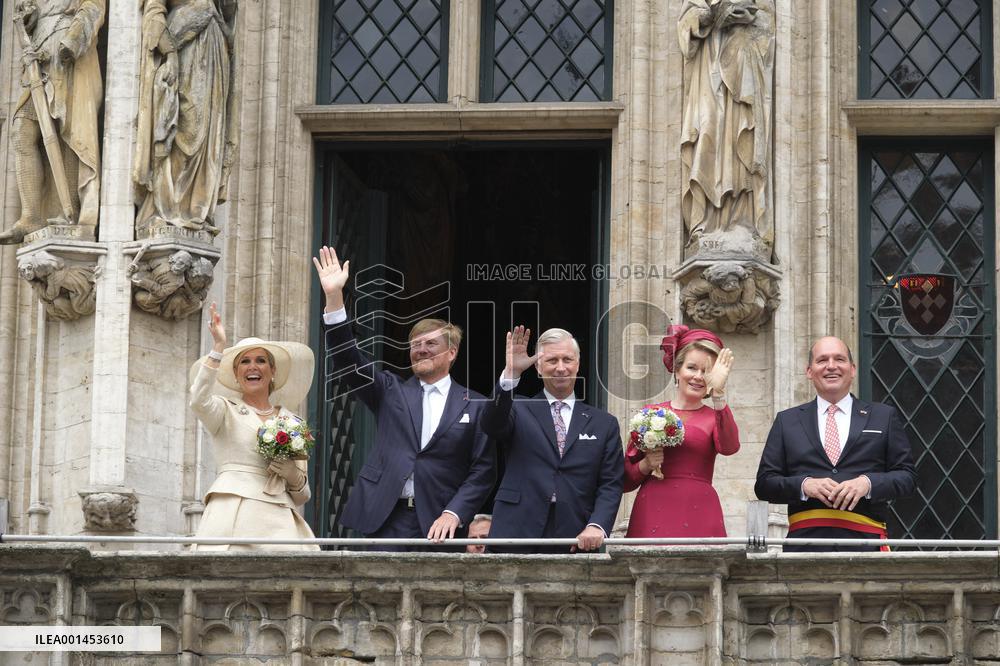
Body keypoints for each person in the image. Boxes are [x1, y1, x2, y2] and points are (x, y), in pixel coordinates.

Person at [314, 247, 496, 550]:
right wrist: (334, 298)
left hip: (441, 523)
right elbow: (349, 359)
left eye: (430, 344)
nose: (421, 349)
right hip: (385, 519)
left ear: (452, 353)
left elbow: (483, 471)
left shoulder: (476, 405)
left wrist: (454, 513)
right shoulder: (389, 390)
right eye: (415, 344)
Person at [754, 336, 917, 552]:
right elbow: (764, 484)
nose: (831, 366)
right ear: (809, 371)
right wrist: (805, 485)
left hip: (866, 544)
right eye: (822, 360)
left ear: (852, 369)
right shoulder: (787, 420)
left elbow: (907, 478)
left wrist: (867, 483)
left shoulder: (883, 416)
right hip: (804, 547)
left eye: (839, 359)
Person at [188, 302, 319, 551]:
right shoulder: (225, 410)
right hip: (232, 512)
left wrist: (291, 473)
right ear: (237, 375)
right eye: (244, 362)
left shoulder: (293, 422)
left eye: (261, 361)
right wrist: (218, 349)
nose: (252, 366)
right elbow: (198, 401)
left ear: (272, 371)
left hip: (279, 518)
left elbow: (303, 495)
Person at [482, 325, 624, 554]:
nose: (560, 368)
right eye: (552, 360)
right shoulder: (517, 409)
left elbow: (610, 483)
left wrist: (597, 525)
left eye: (567, 359)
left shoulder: (604, 423)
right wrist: (511, 374)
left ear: (577, 364)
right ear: (538, 367)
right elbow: (490, 424)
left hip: (575, 535)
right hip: (516, 530)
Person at [0, 0, 105, 244]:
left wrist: (73, 39)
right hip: (37, 55)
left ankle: (70, 212)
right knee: (21, 131)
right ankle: (31, 216)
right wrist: (29, 17)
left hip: (65, 52)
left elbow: (94, 6)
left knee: (65, 129)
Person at [624, 325, 740, 538]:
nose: (698, 376)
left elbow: (730, 447)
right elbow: (624, 481)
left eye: (706, 371)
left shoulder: (715, 416)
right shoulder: (650, 414)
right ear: (677, 370)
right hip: (653, 508)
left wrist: (719, 394)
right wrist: (646, 464)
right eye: (692, 367)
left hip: (700, 508)